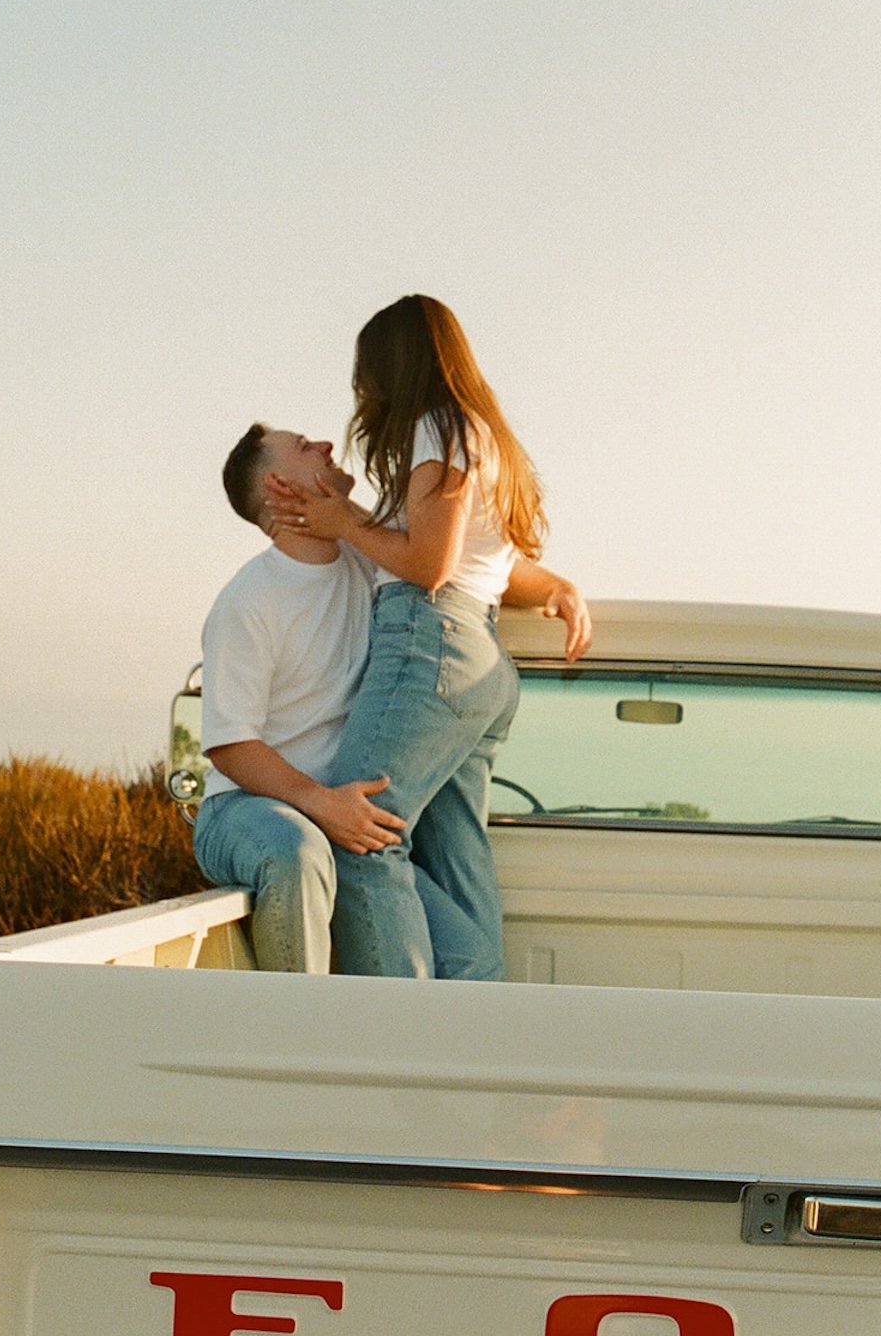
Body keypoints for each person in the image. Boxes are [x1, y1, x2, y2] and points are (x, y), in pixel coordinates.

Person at [266, 294, 590, 982]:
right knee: (452, 858)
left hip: (429, 644)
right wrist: (556, 585)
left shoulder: (436, 428)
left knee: (356, 835)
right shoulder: (475, 433)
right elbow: (484, 564)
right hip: (476, 660)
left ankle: (412, 1033)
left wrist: (342, 525)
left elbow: (429, 565)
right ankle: (477, 1015)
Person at [196, 418, 589, 977]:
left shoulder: (368, 559)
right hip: (247, 809)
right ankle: (298, 1028)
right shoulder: (249, 599)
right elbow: (230, 746)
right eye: (307, 447)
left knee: (470, 957)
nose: (328, 444)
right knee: (298, 851)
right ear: (281, 485)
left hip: (346, 819)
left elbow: (468, 566)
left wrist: (556, 588)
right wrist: (319, 803)